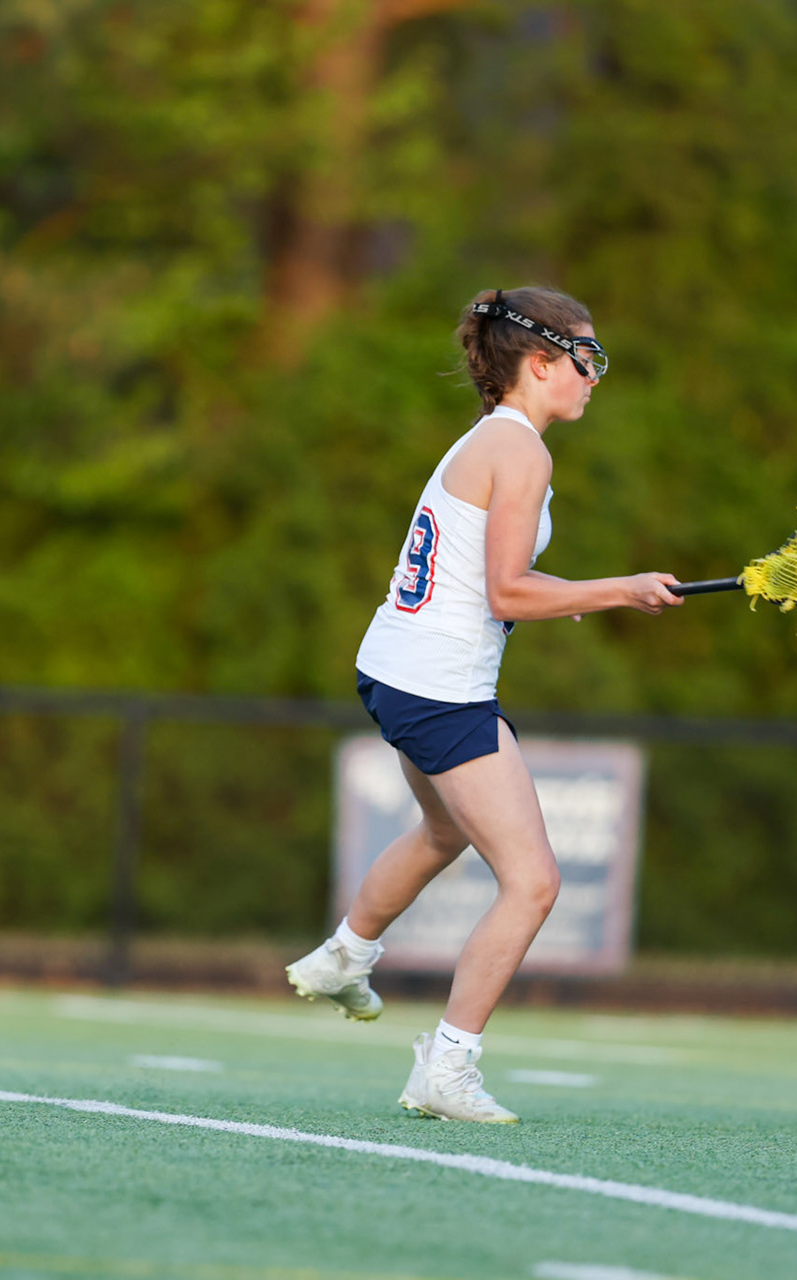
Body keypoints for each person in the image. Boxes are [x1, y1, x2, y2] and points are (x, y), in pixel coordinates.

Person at [287, 287, 683, 1123]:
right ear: (541, 362)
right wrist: (617, 589)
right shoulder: (522, 452)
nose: (593, 377)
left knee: (443, 831)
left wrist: (582, 592)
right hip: (439, 685)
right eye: (586, 359)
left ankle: (343, 956)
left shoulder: (493, 443)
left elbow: (491, 579)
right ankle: (447, 1067)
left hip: (395, 668)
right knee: (534, 882)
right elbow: (505, 589)